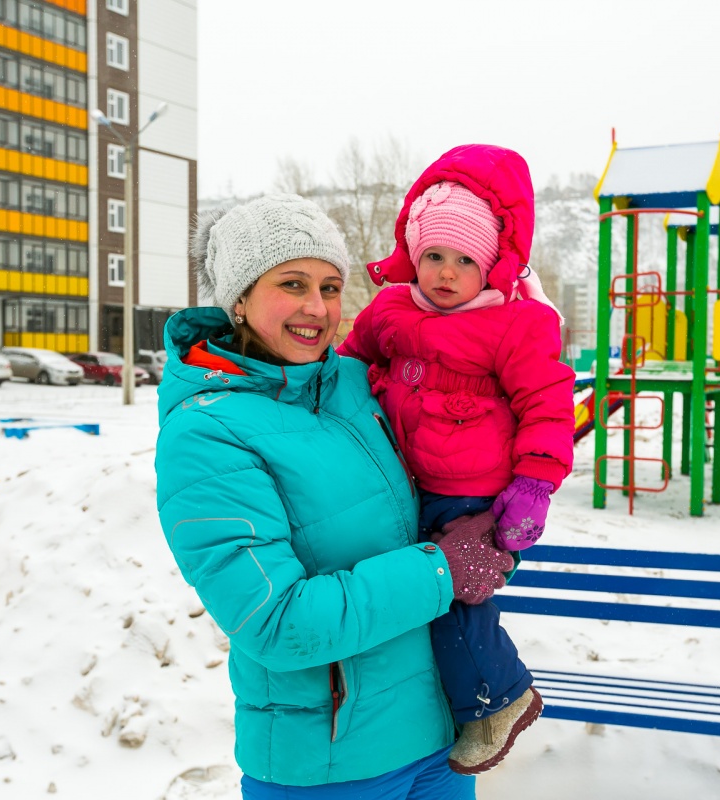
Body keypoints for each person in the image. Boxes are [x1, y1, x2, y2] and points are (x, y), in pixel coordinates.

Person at [155, 194, 516, 799]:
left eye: (329, 287)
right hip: (330, 768)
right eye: (291, 283)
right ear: (238, 298)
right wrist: (443, 571)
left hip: (437, 741)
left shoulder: (355, 381)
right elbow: (275, 621)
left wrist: (498, 516)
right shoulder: (205, 434)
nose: (316, 308)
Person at [339, 144, 577, 774]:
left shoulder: (516, 325)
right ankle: (446, 703)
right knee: (411, 596)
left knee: (451, 596)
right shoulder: (390, 310)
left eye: (465, 259)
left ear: (493, 265)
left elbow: (548, 404)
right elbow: (345, 367)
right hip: (406, 483)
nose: (446, 272)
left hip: (478, 492)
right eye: (434, 256)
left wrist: (535, 484)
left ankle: (500, 698)